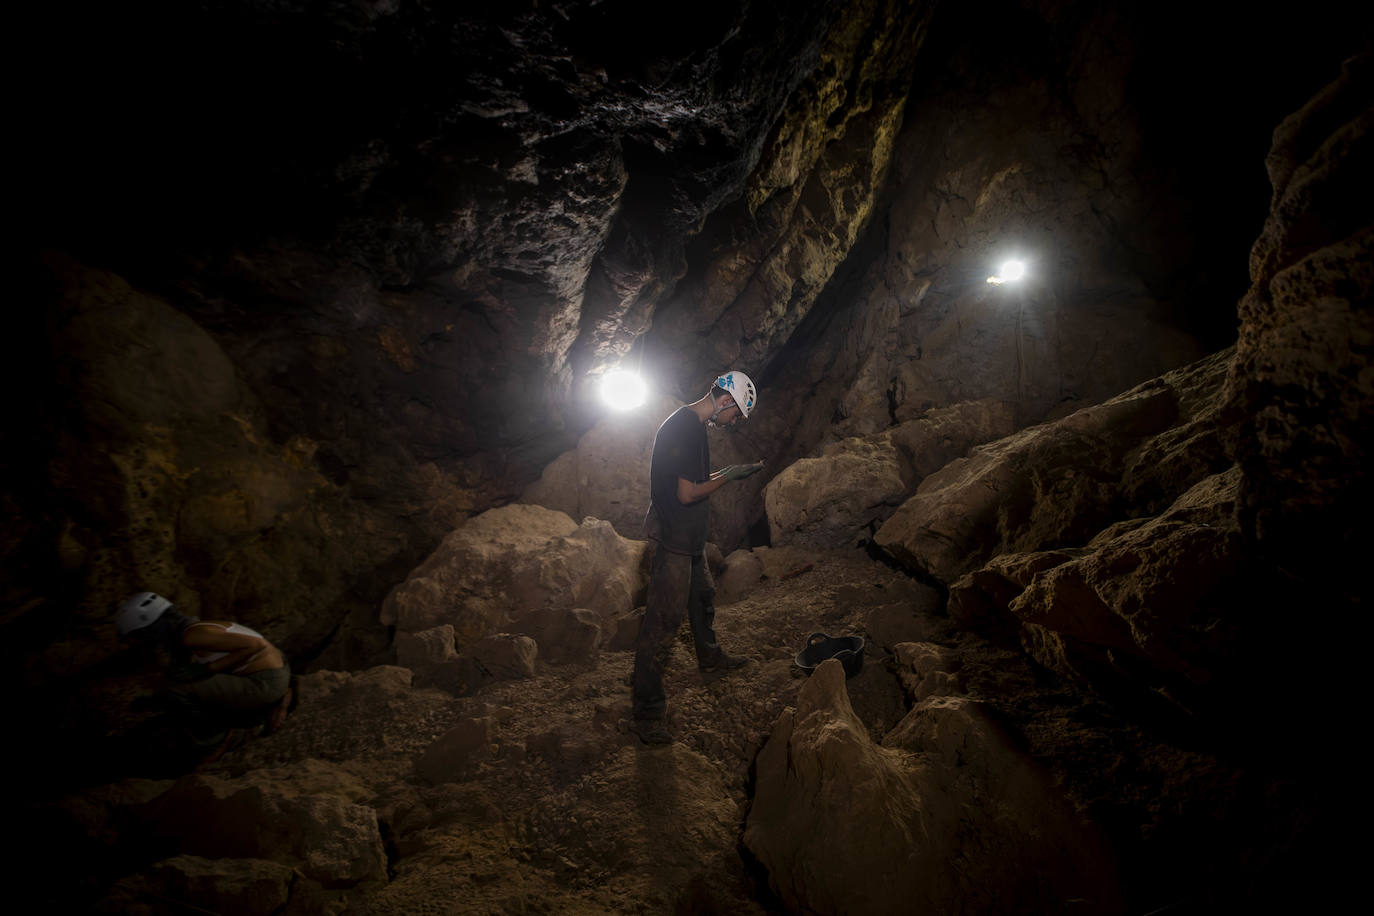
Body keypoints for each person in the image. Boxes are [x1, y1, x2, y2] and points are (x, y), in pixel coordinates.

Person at [630, 370, 764, 746]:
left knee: (703, 599)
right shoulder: (684, 429)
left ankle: (710, 657)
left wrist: (729, 472)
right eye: (735, 414)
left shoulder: (694, 425)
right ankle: (648, 711)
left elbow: (695, 478)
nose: (734, 422)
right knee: (662, 627)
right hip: (673, 540)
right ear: (724, 401)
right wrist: (729, 478)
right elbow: (688, 493)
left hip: (689, 540)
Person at [117, 591, 292, 760]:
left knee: (177, 691)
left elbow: (257, 645)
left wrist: (207, 669)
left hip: (265, 682)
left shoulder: (192, 636)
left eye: (139, 637)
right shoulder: (193, 629)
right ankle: (261, 708)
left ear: (150, 629)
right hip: (274, 673)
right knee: (182, 682)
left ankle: (216, 740)